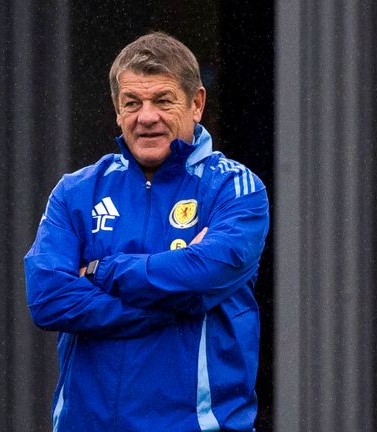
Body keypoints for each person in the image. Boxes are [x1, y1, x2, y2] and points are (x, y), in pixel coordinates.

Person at [24, 32, 269, 431]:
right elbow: (47, 298)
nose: (146, 116)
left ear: (197, 104)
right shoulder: (76, 191)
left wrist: (103, 272)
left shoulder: (235, 189)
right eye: (132, 103)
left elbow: (207, 270)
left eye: (163, 100)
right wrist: (173, 301)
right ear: (117, 111)